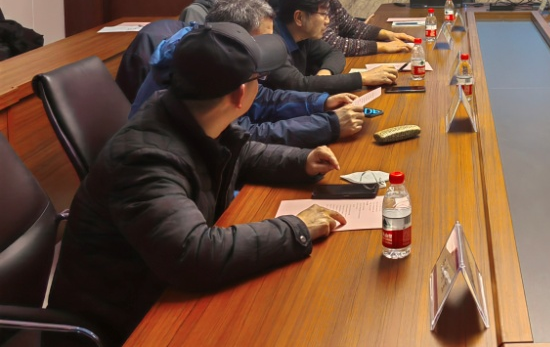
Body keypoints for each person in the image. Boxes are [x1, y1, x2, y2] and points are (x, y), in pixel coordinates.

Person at [48, 22, 347, 345]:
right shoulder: (145, 160)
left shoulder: (186, 114)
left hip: (162, 288)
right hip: (127, 323)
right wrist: (296, 228)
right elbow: (194, 255)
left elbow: (241, 153)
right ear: (240, 95)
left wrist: (301, 161)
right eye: (259, 80)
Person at [131, 0, 368, 146]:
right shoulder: (200, 68)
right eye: (261, 41)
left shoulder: (218, 51)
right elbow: (244, 135)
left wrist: (321, 103)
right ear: (235, 35)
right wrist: (328, 125)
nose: (265, 50)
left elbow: (261, 99)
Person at [267, 0, 399, 93]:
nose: (327, 21)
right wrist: (362, 78)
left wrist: (325, 74)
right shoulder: (272, 44)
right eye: (323, 14)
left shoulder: (302, 34)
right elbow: (299, 85)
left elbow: (334, 53)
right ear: (299, 17)